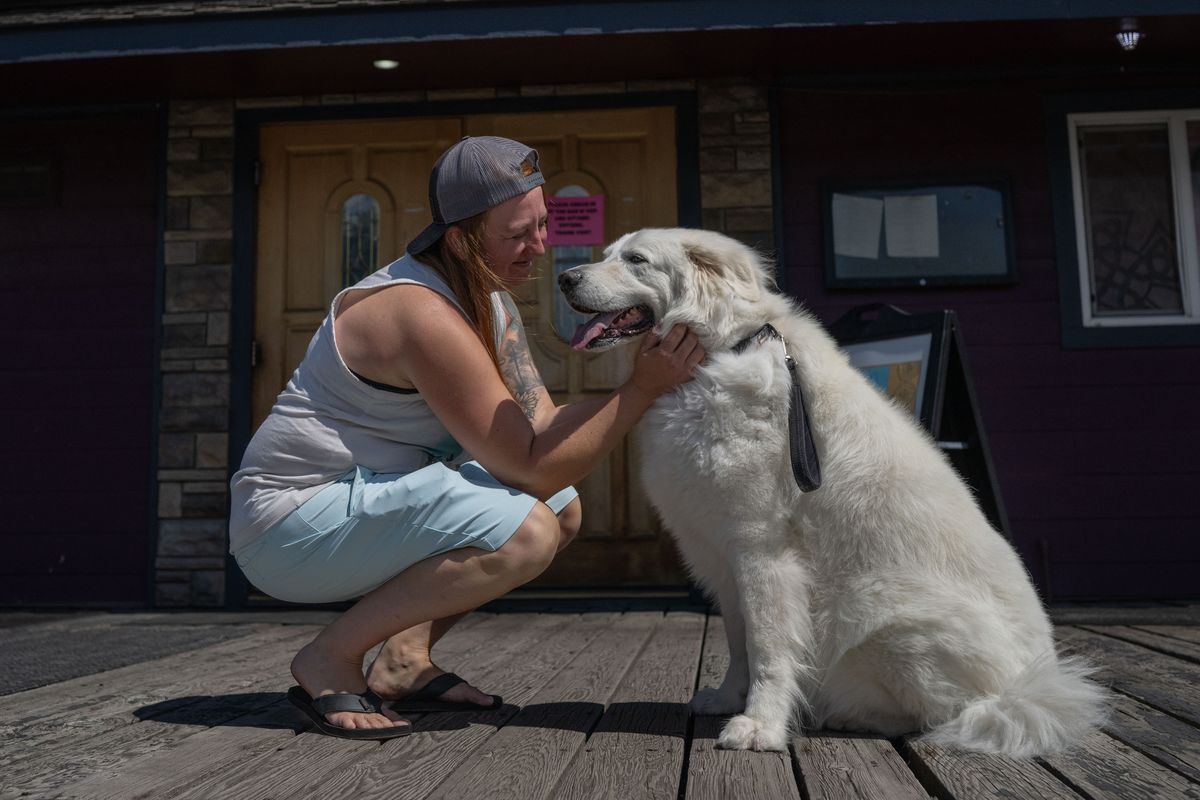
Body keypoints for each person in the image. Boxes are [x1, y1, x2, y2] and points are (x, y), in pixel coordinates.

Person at [228, 135, 704, 739]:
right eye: (517, 234)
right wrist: (640, 390)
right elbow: (532, 466)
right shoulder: (420, 313)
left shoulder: (488, 301)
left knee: (560, 511)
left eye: (544, 225)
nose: (541, 246)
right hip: (288, 526)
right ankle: (328, 658)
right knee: (526, 531)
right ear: (459, 239)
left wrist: (642, 382)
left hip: (363, 497)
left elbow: (541, 433)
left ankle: (404, 659)